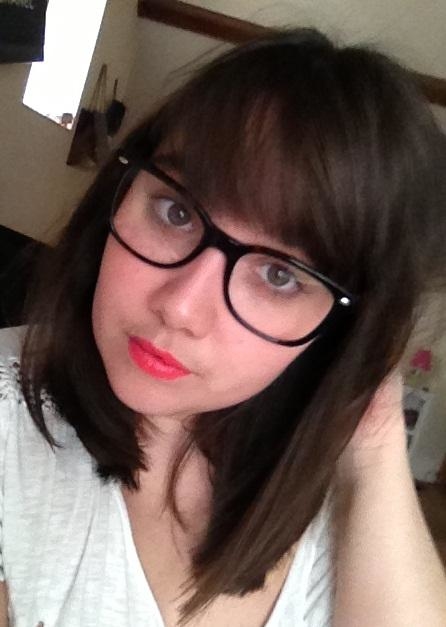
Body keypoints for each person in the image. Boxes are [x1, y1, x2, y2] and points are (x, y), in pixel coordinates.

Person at [0, 27, 446, 627]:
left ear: (344, 326)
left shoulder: (337, 503)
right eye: (176, 212)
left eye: (280, 275)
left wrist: (375, 439)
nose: (181, 307)